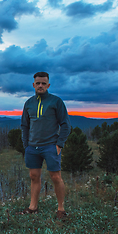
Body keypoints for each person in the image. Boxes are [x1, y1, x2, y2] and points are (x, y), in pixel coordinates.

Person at [18, 71, 71, 219]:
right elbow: (25, 126)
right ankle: (32, 207)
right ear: (33, 85)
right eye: (38, 83)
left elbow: (65, 125)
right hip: (32, 147)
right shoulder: (28, 103)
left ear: (48, 85)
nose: (40, 85)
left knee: (55, 177)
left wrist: (59, 144)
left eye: (43, 83)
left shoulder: (56, 101)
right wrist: (26, 145)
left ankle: (61, 209)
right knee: (34, 176)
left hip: (51, 145)